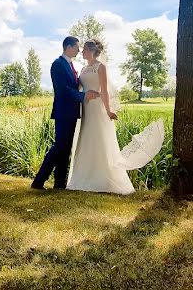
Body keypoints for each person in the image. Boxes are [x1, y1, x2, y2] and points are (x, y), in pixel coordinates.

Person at [66, 39, 135, 195]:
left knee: (98, 138)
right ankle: (84, 176)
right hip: (86, 108)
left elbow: (104, 90)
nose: (81, 52)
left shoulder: (101, 67)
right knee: (86, 139)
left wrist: (109, 110)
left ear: (91, 51)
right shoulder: (83, 68)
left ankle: (102, 179)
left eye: (83, 50)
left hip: (97, 108)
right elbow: (80, 88)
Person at [31, 36, 99, 190]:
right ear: (69, 47)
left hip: (72, 112)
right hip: (63, 112)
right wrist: (83, 96)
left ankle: (59, 184)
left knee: (65, 148)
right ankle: (38, 181)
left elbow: (74, 86)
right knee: (59, 146)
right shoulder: (58, 65)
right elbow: (62, 89)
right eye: (77, 47)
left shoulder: (70, 65)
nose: (79, 49)